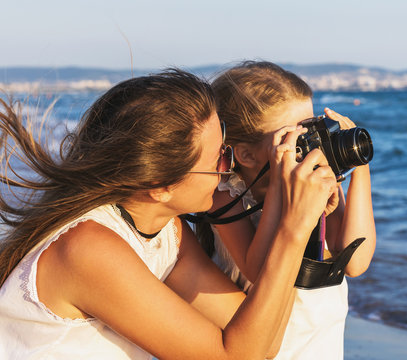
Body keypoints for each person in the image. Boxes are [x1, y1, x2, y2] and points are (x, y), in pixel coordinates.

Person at [0, 69, 338, 359]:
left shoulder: (166, 232)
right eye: (218, 162)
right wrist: (293, 227)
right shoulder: (88, 248)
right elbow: (237, 355)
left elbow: (261, 343)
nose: (228, 170)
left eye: (226, 151)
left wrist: (293, 210)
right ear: (160, 186)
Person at [200, 61, 376, 359]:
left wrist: (358, 169)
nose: (310, 143)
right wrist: (285, 193)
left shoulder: (315, 183)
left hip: (321, 345)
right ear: (245, 154)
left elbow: (355, 261)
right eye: (294, 135)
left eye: (311, 129)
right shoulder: (225, 195)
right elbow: (258, 270)